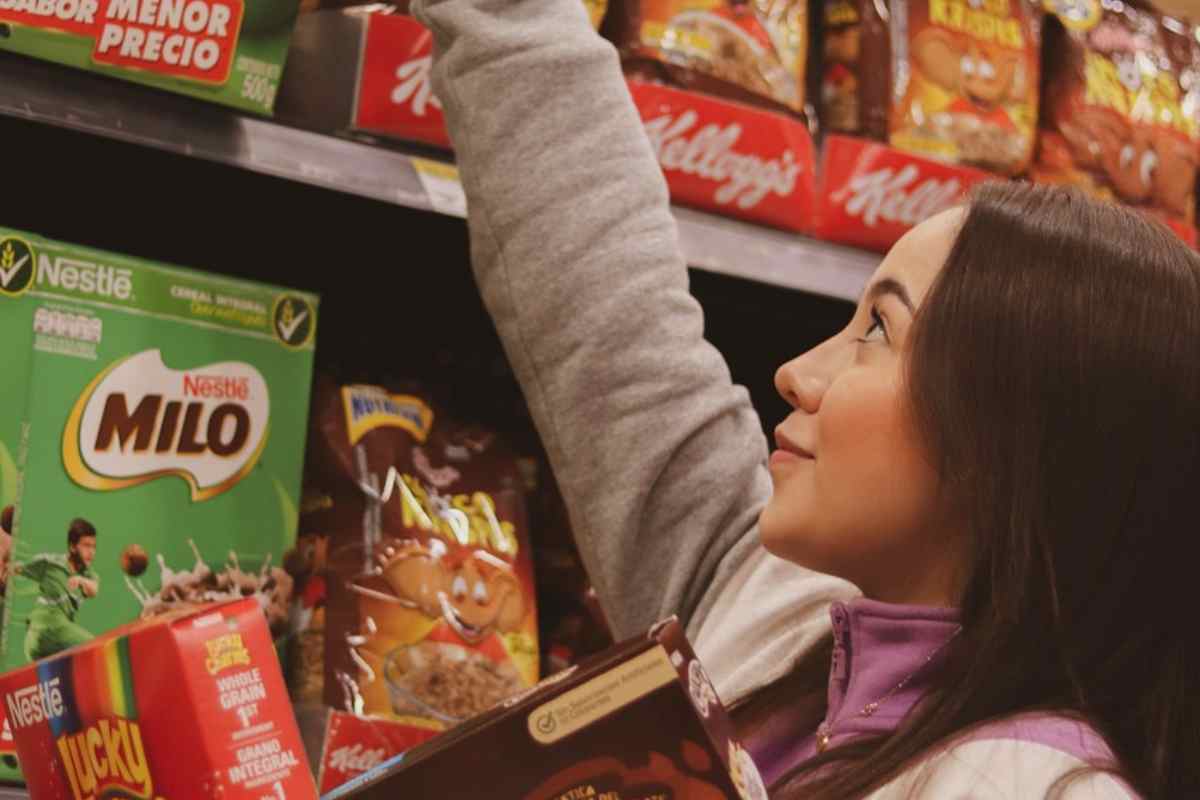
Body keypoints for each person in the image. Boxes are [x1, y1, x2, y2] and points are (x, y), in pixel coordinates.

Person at [408, 1, 1198, 796]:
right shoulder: (776, 611)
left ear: (1022, 444)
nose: (797, 372)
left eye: (879, 332)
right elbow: (608, 320)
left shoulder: (1034, 785)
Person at [18, 517, 100, 660]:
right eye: (86, 546)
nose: (91, 552)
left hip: (44, 642)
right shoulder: (49, 563)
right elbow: (16, 567)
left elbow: (93, 590)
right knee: (97, 647)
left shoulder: (89, 575)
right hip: (46, 626)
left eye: (93, 546)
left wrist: (80, 580)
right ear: (72, 547)